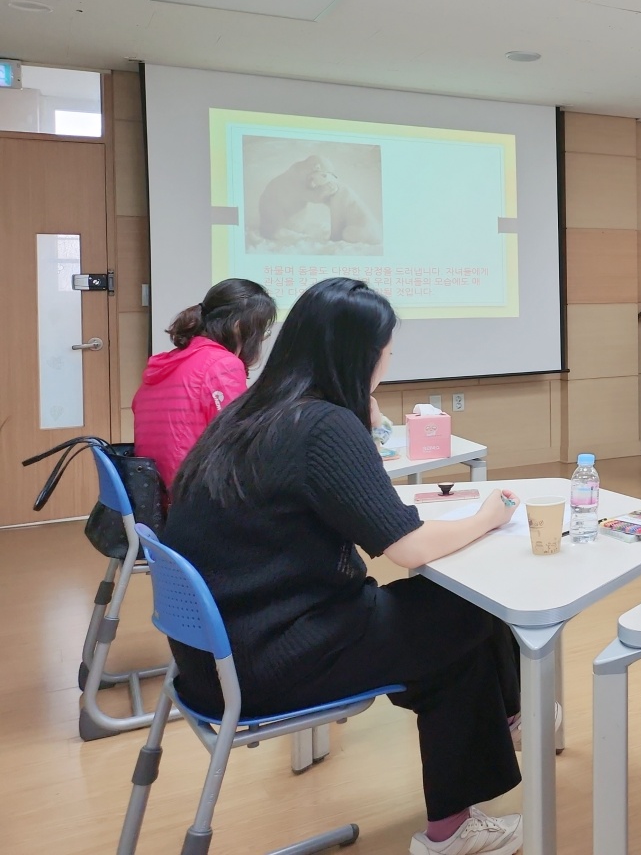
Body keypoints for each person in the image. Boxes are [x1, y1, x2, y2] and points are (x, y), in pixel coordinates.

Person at [162, 278, 524, 855]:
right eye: (385, 349)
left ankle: (507, 718)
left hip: (214, 655)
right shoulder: (323, 426)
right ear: (361, 353)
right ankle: (458, 822)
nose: (389, 359)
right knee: (466, 621)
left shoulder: (256, 411)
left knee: (446, 619)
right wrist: (487, 517)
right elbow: (407, 548)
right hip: (270, 658)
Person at [132, 278, 276, 507]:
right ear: (239, 326)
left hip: (156, 503)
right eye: (261, 330)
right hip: (196, 504)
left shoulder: (166, 363)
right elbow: (240, 444)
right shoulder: (221, 364)